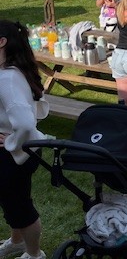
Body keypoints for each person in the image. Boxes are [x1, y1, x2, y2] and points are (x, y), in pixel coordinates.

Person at [0, 20, 48, 259]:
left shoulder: (7, 78)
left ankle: (34, 254)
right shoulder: (10, 71)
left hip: (15, 152)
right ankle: (18, 242)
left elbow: (25, 123)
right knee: (12, 202)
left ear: (2, 42)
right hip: (18, 150)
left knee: (20, 208)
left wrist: (11, 142)